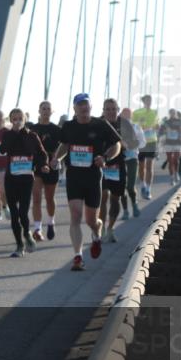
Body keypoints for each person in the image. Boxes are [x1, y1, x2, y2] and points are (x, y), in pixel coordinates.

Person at [52, 93, 122, 271]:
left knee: (92, 220)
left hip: (93, 177)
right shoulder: (68, 126)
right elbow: (64, 145)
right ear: (74, 108)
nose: (84, 107)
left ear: (91, 107)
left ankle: (97, 235)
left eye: (86, 105)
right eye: (80, 105)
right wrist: (56, 158)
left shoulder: (100, 124)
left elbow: (117, 145)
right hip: (74, 176)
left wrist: (104, 157)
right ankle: (78, 256)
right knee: (75, 216)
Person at [0, 108, 49, 257]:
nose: (17, 121)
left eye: (19, 118)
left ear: (24, 119)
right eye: (14, 119)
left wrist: (43, 165)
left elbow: (41, 153)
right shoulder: (7, 135)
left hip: (27, 179)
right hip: (11, 178)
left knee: (23, 212)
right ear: (10, 120)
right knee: (14, 214)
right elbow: (2, 150)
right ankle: (19, 245)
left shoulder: (32, 136)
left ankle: (27, 233)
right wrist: (13, 134)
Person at [99, 99, 138, 243]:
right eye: (107, 109)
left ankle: (110, 228)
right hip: (101, 165)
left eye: (113, 109)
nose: (110, 112)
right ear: (103, 110)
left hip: (118, 165)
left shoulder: (125, 123)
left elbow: (135, 143)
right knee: (103, 196)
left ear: (118, 109)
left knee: (115, 198)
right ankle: (101, 229)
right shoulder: (98, 123)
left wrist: (124, 144)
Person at [27, 100, 63, 241]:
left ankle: (51, 222)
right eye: (43, 108)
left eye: (48, 109)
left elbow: (64, 147)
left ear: (51, 111)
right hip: (36, 166)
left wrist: (57, 158)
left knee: (49, 198)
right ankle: (37, 228)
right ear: (39, 111)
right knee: (36, 198)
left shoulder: (56, 130)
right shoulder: (32, 129)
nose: (46, 111)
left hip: (52, 165)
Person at [118, 107, 144, 220]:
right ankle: (125, 211)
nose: (126, 115)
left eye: (128, 114)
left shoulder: (136, 127)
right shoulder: (117, 127)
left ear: (131, 115)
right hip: (119, 159)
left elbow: (142, 142)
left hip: (132, 157)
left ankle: (134, 205)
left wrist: (132, 144)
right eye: (124, 114)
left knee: (130, 186)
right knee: (121, 186)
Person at [132, 94, 159, 200]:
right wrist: (141, 127)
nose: (149, 102)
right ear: (143, 101)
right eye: (147, 100)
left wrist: (157, 126)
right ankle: (143, 184)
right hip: (141, 142)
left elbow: (157, 124)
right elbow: (133, 126)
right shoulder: (137, 113)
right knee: (141, 167)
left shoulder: (154, 112)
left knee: (149, 166)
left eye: (150, 100)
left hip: (152, 141)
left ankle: (148, 189)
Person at [162, 108, 181, 186]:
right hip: (169, 143)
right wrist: (165, 132)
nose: (172, 114)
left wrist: (179, 132)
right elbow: (162, 131)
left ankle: (176, 173)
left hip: (177, 142)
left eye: (174, 113)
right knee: (170, 161)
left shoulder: (179, 122)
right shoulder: (166, 122)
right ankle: (171, 178)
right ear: (169, 114)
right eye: (171, 113)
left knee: (176, 160)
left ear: (175, 114)